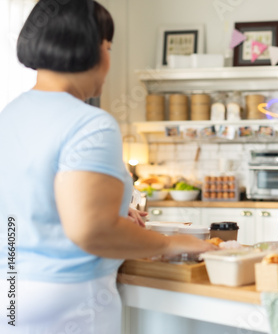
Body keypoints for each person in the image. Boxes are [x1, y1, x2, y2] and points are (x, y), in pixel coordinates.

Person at [0, 1, 216, 333]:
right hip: (69, 298)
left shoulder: (9, 116)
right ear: (93, 48)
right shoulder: (90, 124)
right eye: (109, 46)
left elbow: (31, 206)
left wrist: (114, 214)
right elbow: (91, 230)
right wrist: (170, 243)